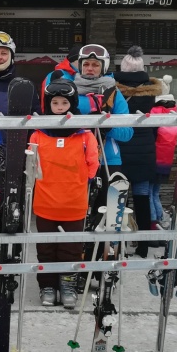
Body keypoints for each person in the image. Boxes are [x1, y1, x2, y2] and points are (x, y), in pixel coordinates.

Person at [29, 80, 99, 308]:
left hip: (74, 202)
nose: (59, 107)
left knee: (71, 248)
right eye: (55, 103)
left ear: (72, 104)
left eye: (64, 103)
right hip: (45, 202)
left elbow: (93, 163)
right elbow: (31, 165)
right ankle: (47, 286)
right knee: (46, 248)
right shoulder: (38, 134)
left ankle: (68, 285)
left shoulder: (84, 134)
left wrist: (81, 181)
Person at [51, 43, 133, 224]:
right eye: (86, 64)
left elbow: (128, 133)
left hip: (108, 161)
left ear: (103, 67)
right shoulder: (69, 92)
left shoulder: (113, 93)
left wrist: (108, 127)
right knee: (77, 213)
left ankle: (105, 241)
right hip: (76, 160)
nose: (90, 68)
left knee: (108, 215)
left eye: (95, 65)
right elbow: (58, 127)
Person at [0, 31, 40, 230]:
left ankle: (10, 244)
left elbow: (36, 120)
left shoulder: (24, 86)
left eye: (4, 53)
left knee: (13, 206)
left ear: (11, 55)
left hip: (15, 154)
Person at [112, 46, 163, 246]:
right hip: (145, 148)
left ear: (123, 67)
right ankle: (143, 244)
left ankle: (118, 244)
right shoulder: (150, 90)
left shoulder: (113, 88)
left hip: (121, 146)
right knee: (142, 197)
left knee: (119, 199)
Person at [150, 75, 177, 232]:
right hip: (166, 158)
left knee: (149, 193)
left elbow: (151, 132)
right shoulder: (173, 110)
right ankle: (161, 220)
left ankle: (155, 221)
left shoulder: (155, 110)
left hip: (154, 156)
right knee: (155, 192)